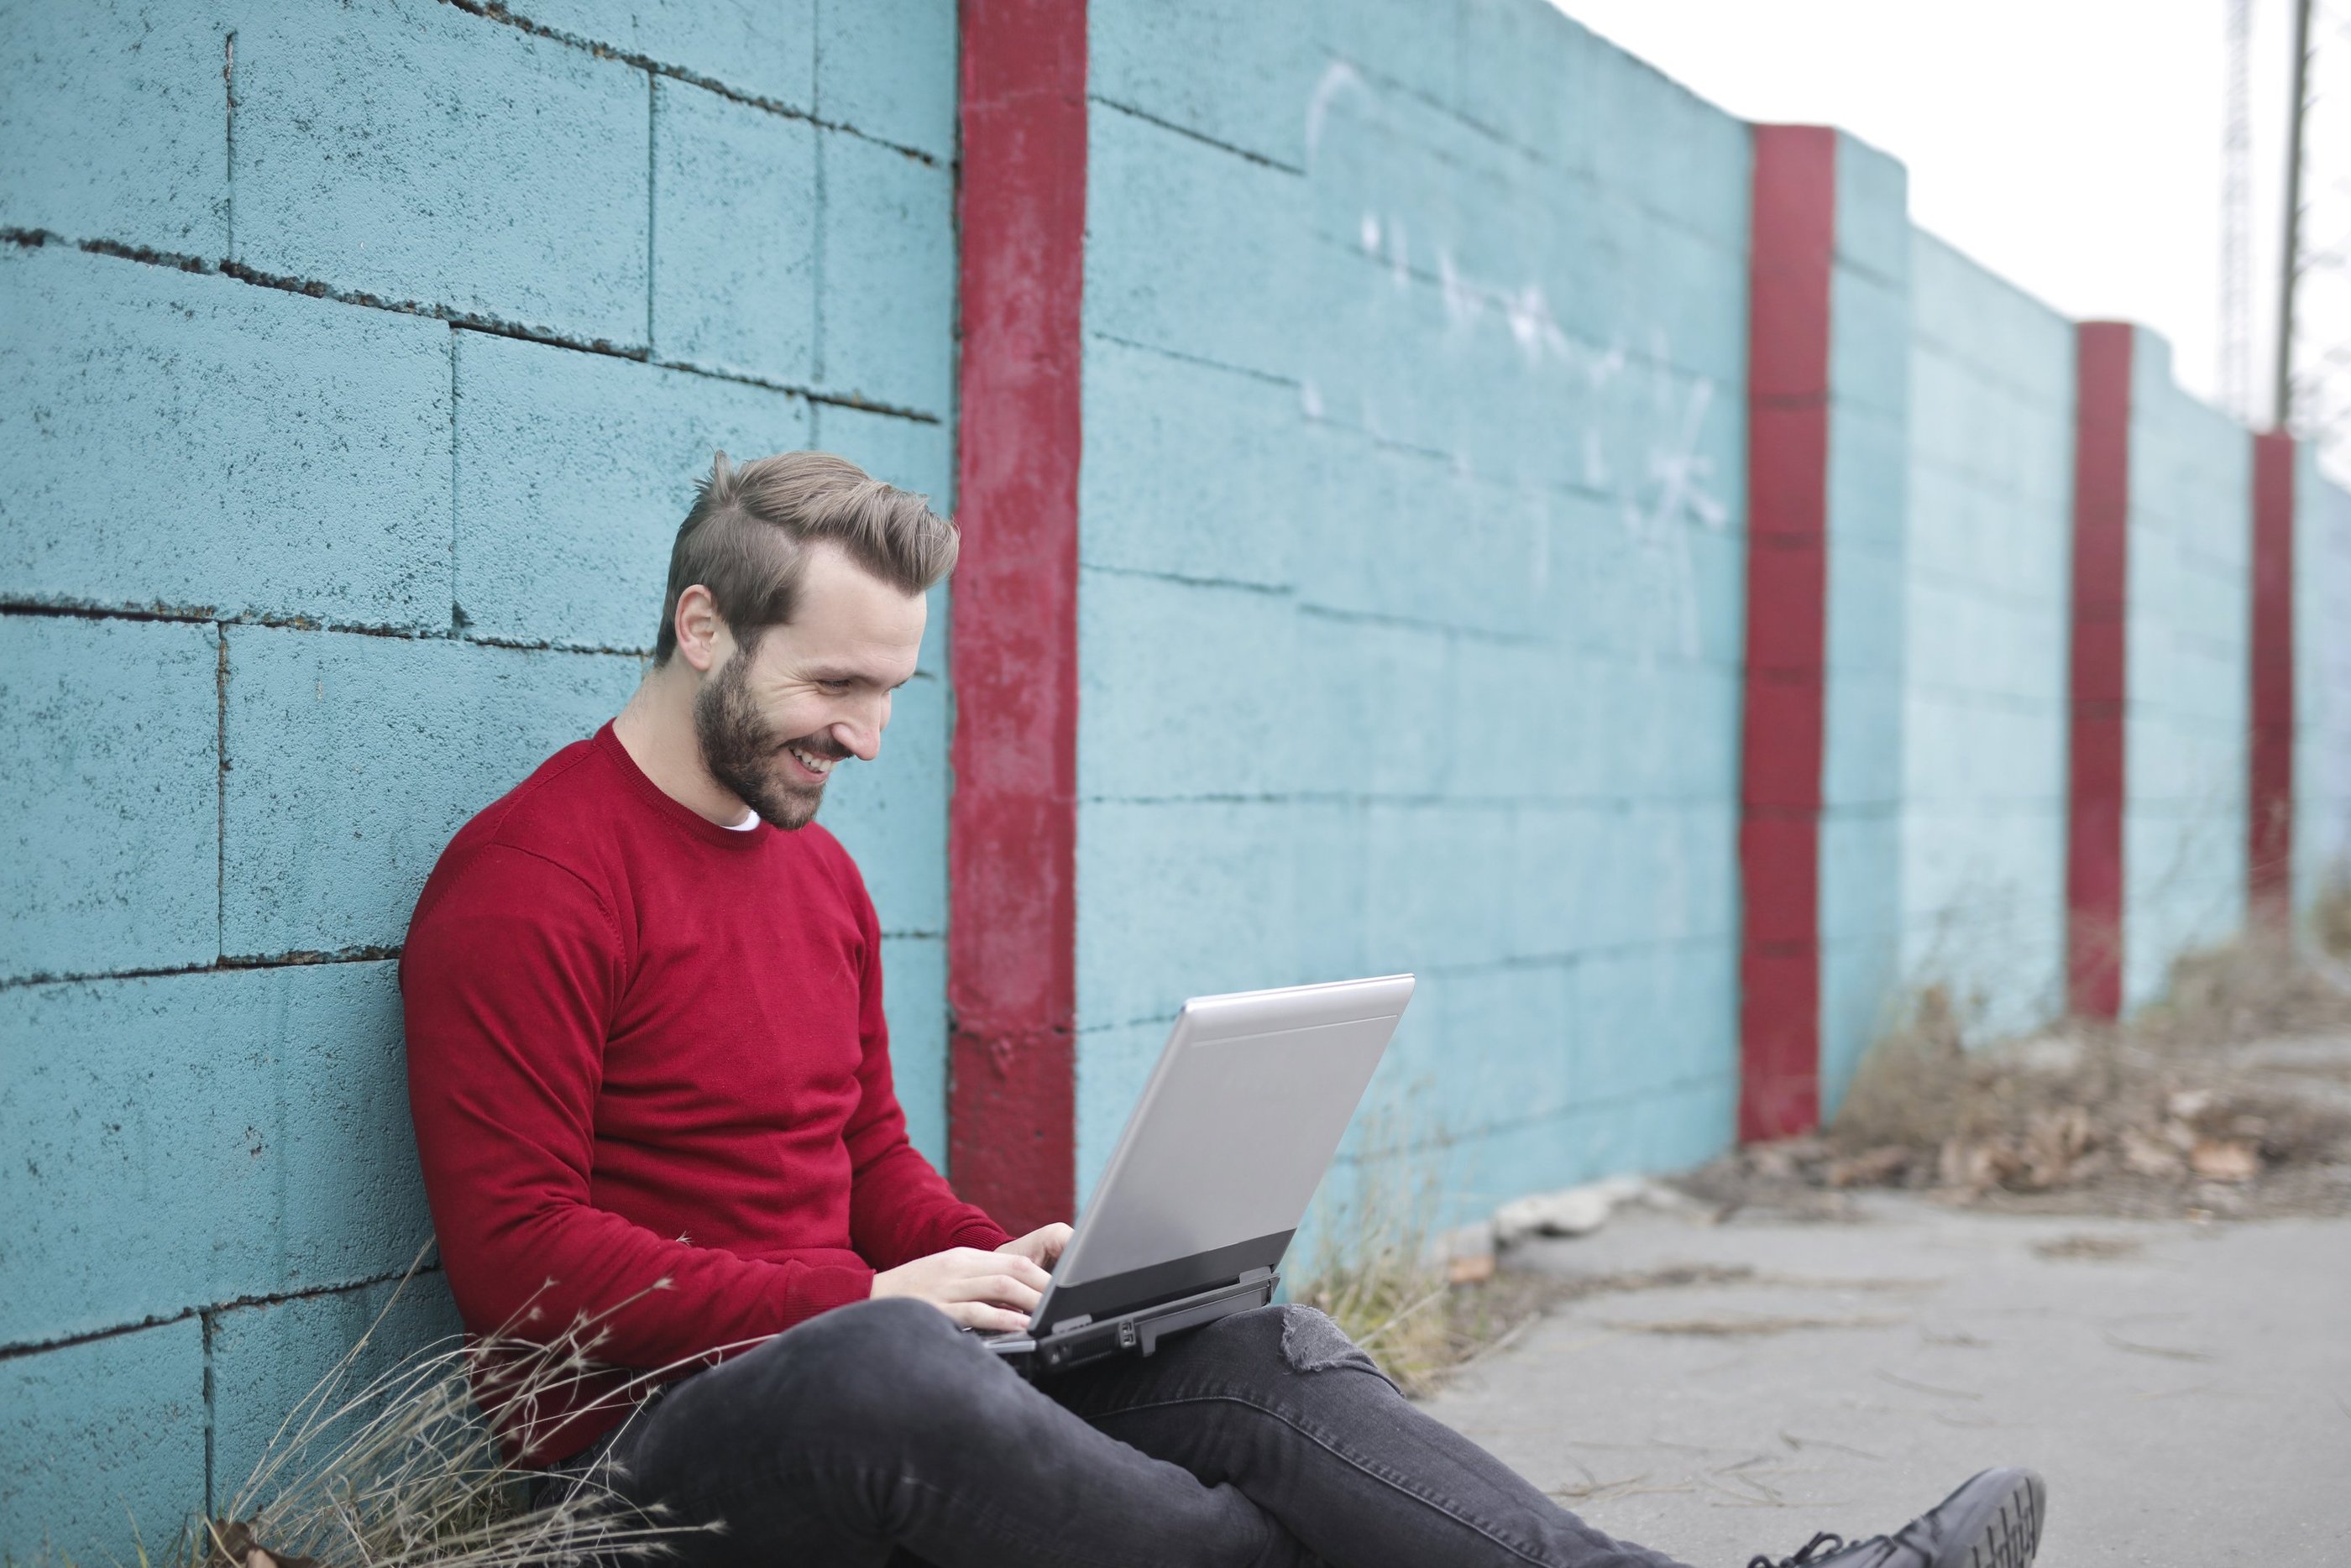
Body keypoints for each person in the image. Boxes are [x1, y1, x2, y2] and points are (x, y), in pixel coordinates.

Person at [400, 451, 2048, 1568]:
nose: (871, 737)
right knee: (890, 1372)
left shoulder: (813, 878)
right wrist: (874, 1291)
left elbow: (871, 1165)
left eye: (891, 689)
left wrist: (1028, 1266)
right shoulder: (535, 876)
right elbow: (522, 1260)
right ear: (701, 626)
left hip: (866, 1340)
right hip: (645, 1466)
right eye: (836, 686)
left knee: (1248, 1346)